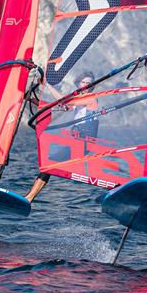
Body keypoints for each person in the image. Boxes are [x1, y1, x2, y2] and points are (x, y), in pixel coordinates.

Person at [24, 71, 99, 203]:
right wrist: (31, 99)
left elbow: (64, 101)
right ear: (78, 83)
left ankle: (29, 197)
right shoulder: (78, 102)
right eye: (83, 82)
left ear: (92, 86)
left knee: (49, 164)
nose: (86, 85)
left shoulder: (91, 99)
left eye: (89, 83)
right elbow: (57, 107)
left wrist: (47, 85)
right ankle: (28, 197)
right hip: (76, 140)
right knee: (49, 164)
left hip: (84, 142)